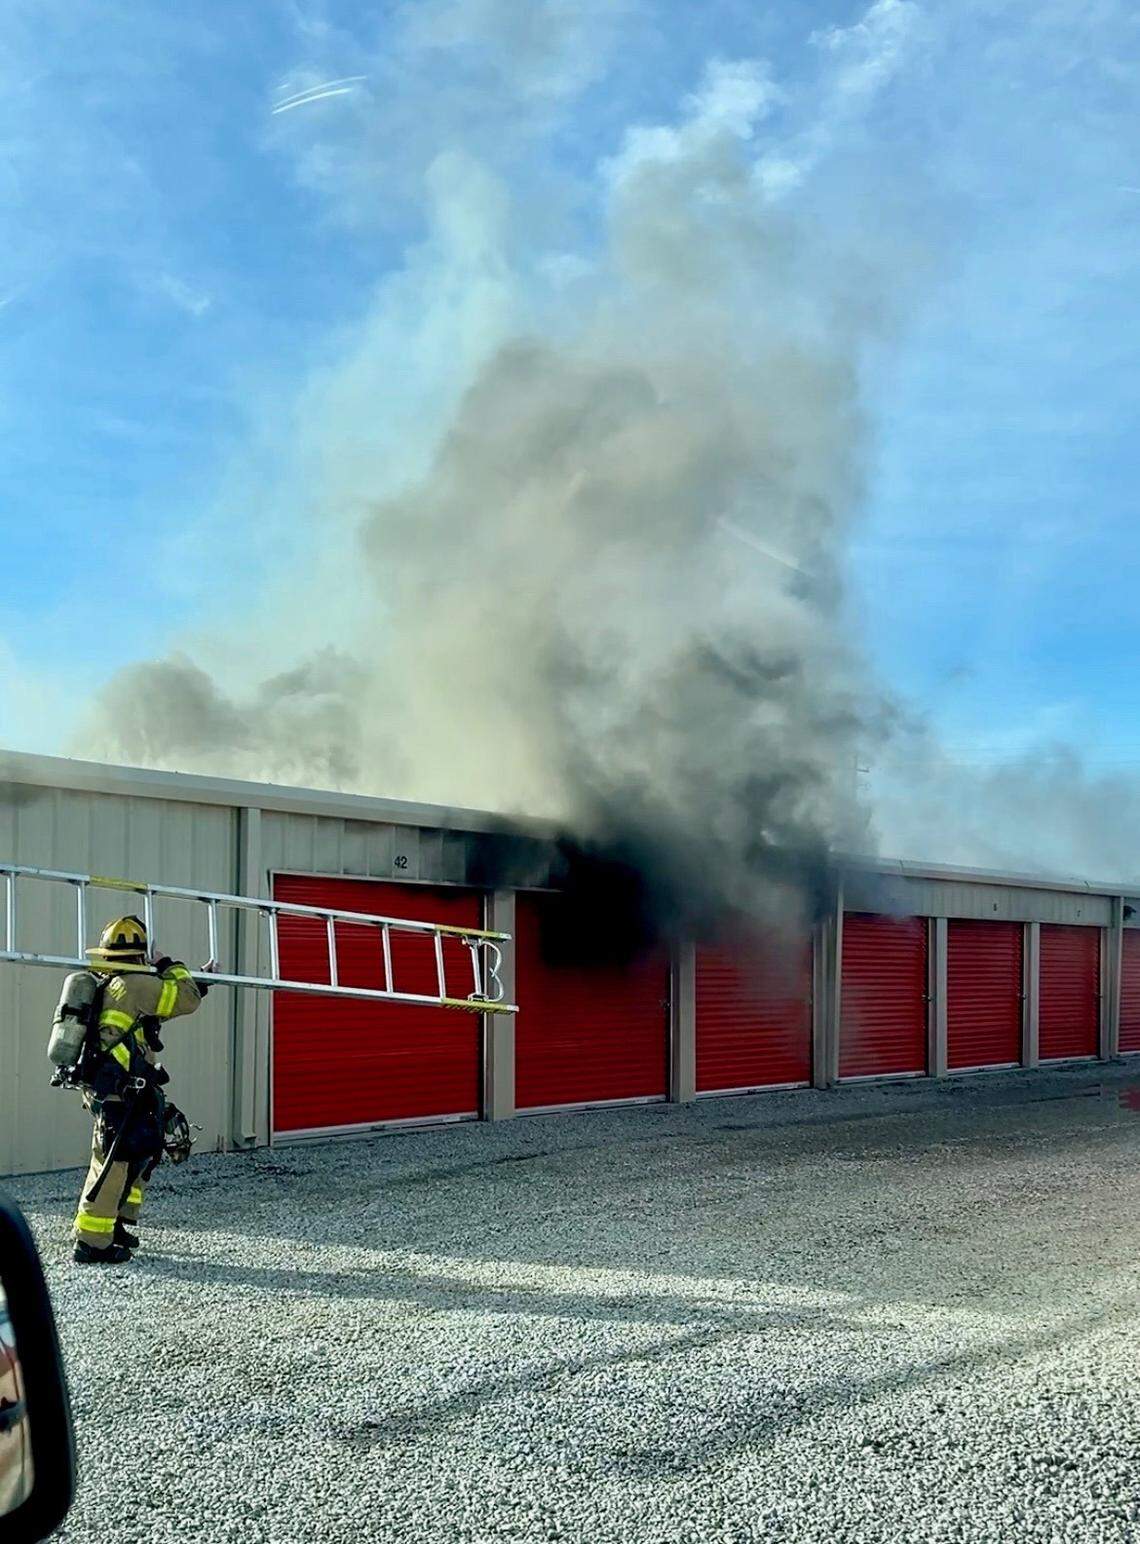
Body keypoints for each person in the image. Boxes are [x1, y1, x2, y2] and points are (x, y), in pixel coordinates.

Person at [70, 915, 206, 1265]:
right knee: (114, 1163)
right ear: (139, 955)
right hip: (120, 1090)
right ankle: (92, 1242)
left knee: (130, 1156)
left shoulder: (112, 983)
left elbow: (156, 1010)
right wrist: (169, 964)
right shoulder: (135, 983)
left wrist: (197, 982)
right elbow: (184, 999)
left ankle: (113, 1226)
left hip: (113, 1087)